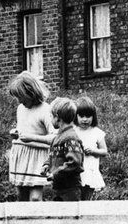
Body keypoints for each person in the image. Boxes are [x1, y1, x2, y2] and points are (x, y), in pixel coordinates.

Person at [7, 71, 54, 201]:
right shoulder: (21, 109)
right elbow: (24, 128)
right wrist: (16, 133)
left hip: (37, 157)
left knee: (34, 198)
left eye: (21, 96)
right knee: (21, 196)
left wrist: (32, 138)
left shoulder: (46, 109)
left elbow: (55, 138)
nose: (19, 101)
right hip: (21, 155)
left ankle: (38, 221)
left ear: (31, 93)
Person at [43, 97, 84, 201]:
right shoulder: (57, 137)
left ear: (57, 118)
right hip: (58, 187)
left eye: (50, 116)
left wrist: (55, 174)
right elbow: (53, 155)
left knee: (69, 215)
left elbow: (75, 163)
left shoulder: (70, 138)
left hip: (70, 189)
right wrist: (47, 165)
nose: (50, 119)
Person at [74, 96, 108, 201]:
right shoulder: (73, 131)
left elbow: (104, 151)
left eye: (88, 116)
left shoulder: (96, 132)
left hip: (90, 169)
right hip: (76, 169)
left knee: (87, 197)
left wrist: (93, 151)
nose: (85, 119)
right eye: (82, 116)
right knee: (75, 196)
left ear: (93, 117)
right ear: (76, 116)